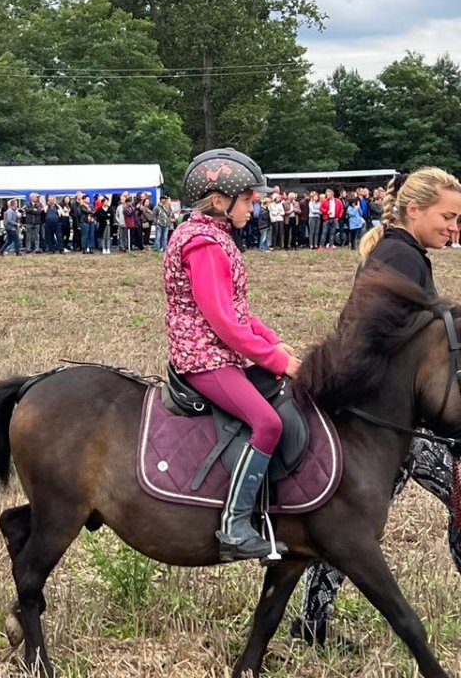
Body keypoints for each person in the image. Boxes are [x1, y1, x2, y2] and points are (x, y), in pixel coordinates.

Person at [291, 167, 461, 645]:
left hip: (387, 418)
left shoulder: (403, 253)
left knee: (349, 529)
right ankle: (311, 624)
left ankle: (311, 624)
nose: (455, 228)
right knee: (352, 527)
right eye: (448, 217)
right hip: (381, 421)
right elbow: (368, 345)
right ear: (414, 210)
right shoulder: (400, 258)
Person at [164, 148, 301, 562]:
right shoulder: (203, 243)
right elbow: (223, 322)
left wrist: (271, 340)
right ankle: (234, 526)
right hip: (205, 358)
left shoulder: (216, 237)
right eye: (249, 199)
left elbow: (238, 310)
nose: (255, 205)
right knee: (267, 423)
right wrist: (276, 361)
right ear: (220, 202)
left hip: (220, 354)